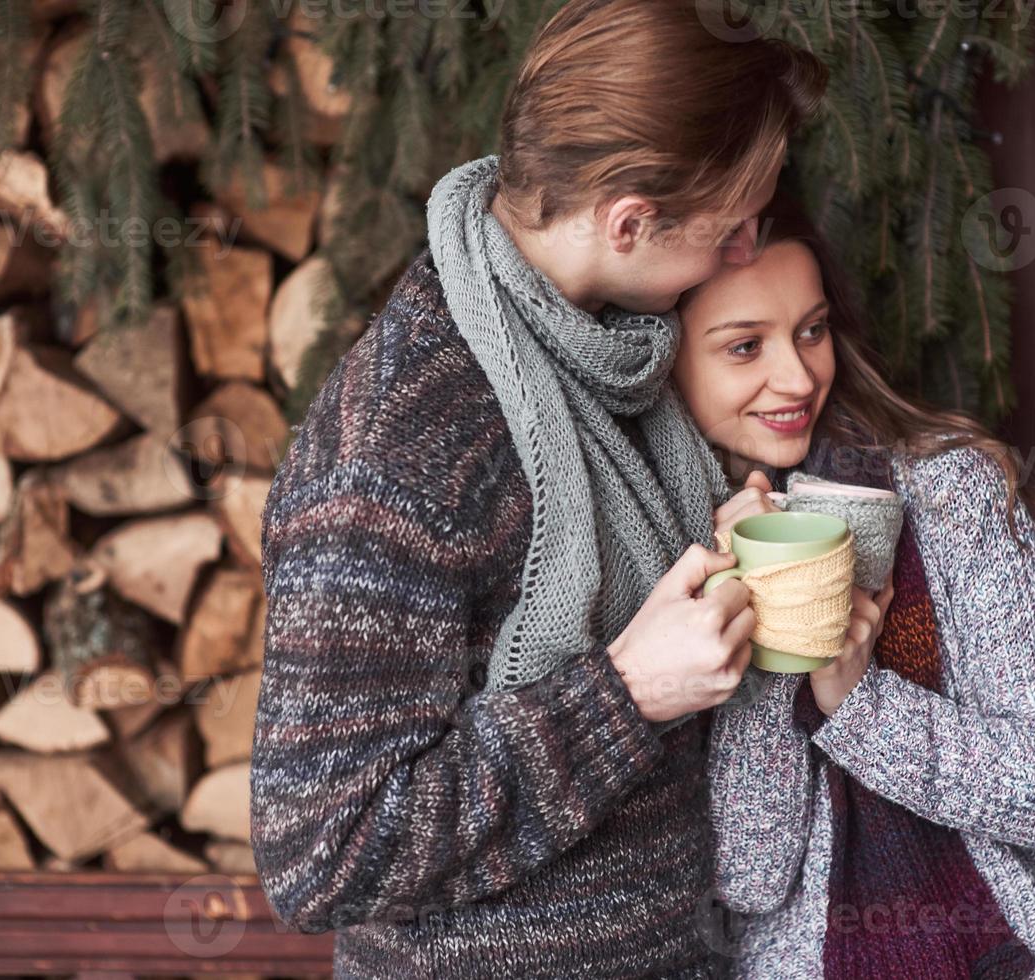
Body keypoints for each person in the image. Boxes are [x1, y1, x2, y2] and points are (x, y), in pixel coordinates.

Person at [249, 1, 826, 975]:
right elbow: (321, 852)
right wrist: (625, 694)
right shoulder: (404, 436)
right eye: (732, 227)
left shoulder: (608, 356)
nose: (743, 252)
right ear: (630, 221)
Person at [673, 189, 1035, 977]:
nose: (797, 376)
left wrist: (861, 705)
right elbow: (749, 871)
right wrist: (770, 601)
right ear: (668, 360)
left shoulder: (949, 496)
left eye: (811, 331)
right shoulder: (666, 550)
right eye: (745, 347)